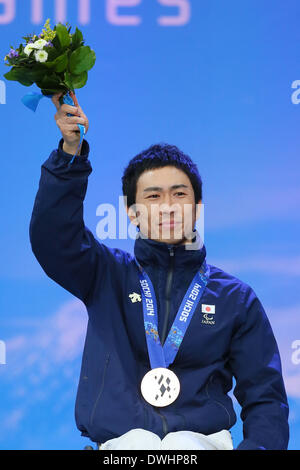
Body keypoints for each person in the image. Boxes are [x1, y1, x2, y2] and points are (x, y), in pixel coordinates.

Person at [29, 93, 289, 451]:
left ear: (197, 207)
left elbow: (266, 399)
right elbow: (53, 237)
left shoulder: (235, 299)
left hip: (202, 445)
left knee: (186, 444)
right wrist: (69, 154)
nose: (167, 206)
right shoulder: (105, 273)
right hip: (121, 447)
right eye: (153, 197)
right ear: (132, 212)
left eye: (179, 194)